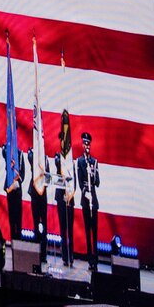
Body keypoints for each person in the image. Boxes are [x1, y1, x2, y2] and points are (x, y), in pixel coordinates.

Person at [54, 109, 76, 267]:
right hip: (60, 195)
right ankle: (64, 257)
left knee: (70, 231)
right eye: (61, 139)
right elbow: (56, 176)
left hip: (69, 197)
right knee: (62, 230)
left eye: (64, 139)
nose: (63, 142)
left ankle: (72, 256)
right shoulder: (57, 158)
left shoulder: (71, 161)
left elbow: (73, 178)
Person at [77, 131, 101, 270]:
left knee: (95, 231)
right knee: (87, 231)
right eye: (85, 143)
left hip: (94, 199)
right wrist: (86, 193)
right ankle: (90, 258)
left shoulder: (94, 162)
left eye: (88, 144)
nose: (87, 146)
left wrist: (94, 172)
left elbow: (97, 182)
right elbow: (81, 183)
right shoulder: (80, 161)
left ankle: (96, 258)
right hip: (86, 198)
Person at [27, 147, 50, 267]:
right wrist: (33, 153)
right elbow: (30, 160)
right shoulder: (32, 156)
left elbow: (48, 177)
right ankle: (36, 254)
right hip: (35, 195)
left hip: (43, 196)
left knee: (44, 226)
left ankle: (44, 255)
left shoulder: (46, 159)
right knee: (36, 226)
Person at [3, 138, 25, 243]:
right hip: (9, 188)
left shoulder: (20, 154)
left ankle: (19, 241)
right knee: (11, 217)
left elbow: (23, 171)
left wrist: (18, 181)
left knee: (18, 217)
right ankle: (13, 240)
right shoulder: (6, 151)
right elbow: (4, 154)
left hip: (17, 188)